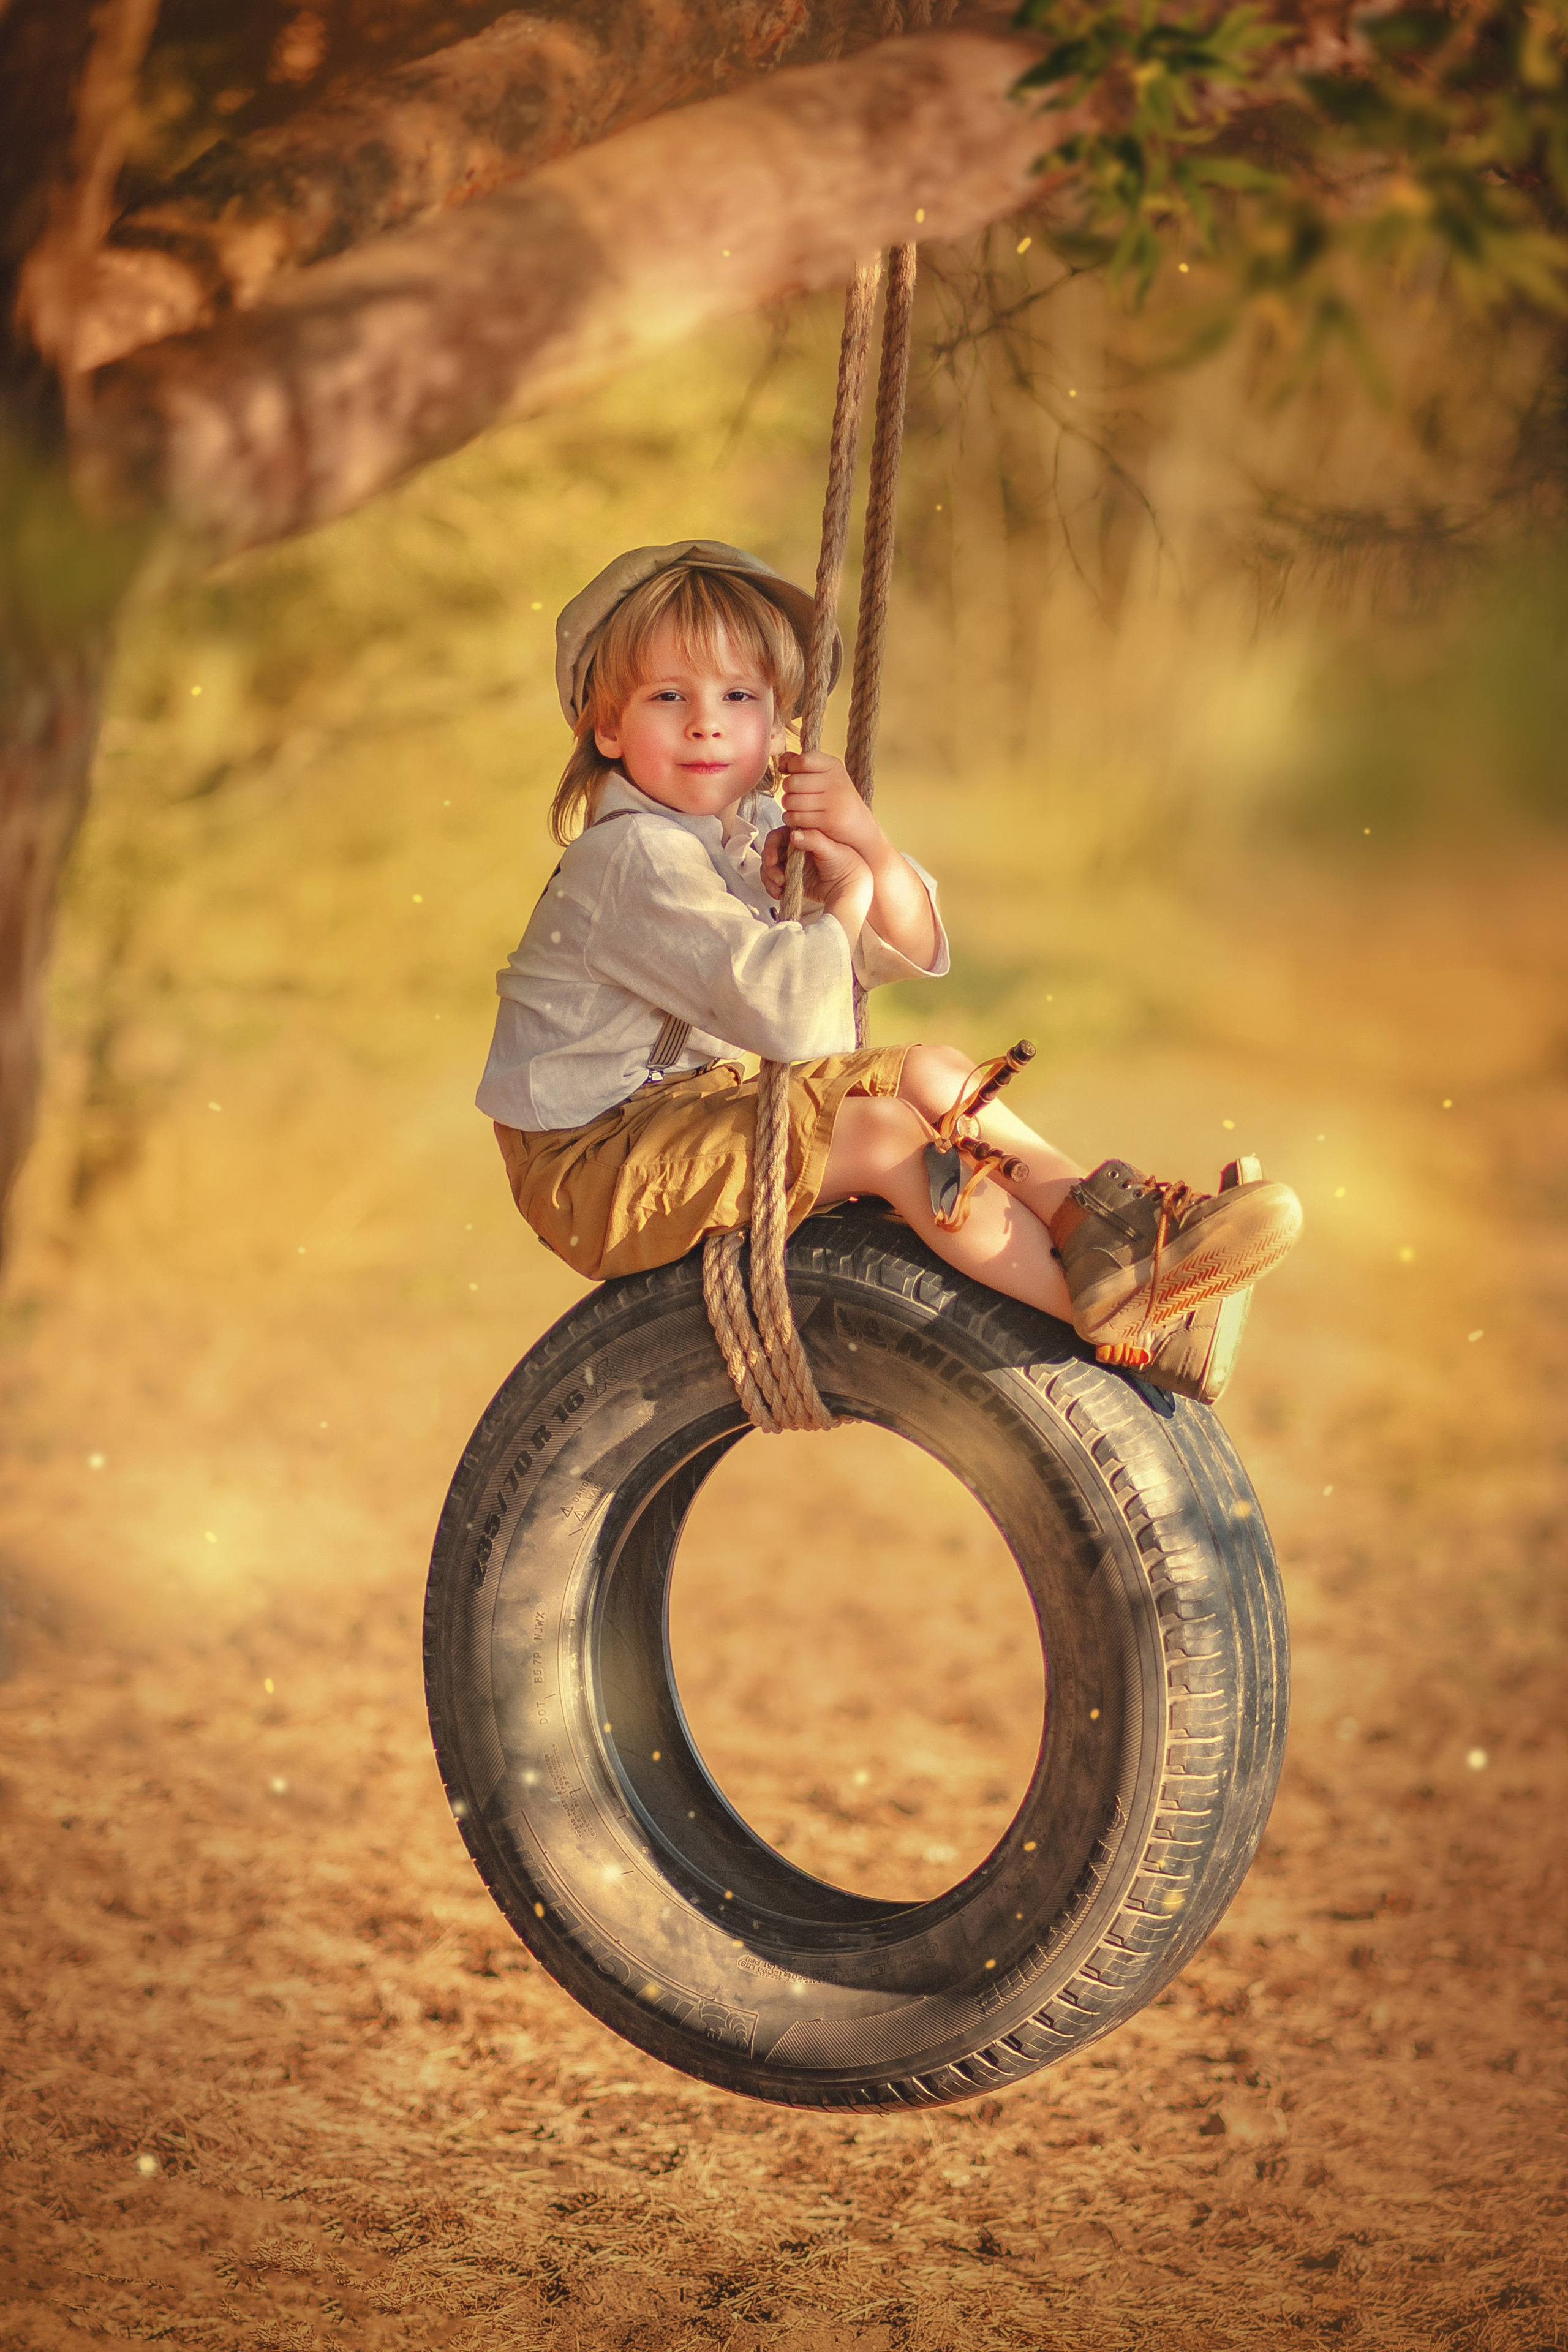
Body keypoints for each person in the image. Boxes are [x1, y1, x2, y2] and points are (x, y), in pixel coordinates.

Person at [478, 541, 1301, 1399]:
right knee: (880, 1136)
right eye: (668, 696)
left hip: (684, 1115)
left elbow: (896, 950)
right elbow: (798, 1020)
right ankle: (1119, 1315)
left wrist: (864, 844)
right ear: (608, 726)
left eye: (738, 696)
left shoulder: (740, 832)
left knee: (932, 1071)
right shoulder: (636, 856)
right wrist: (849, 894)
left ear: (777, 721)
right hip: (592, 1168)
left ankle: (1114, 1232)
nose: (706, 722)